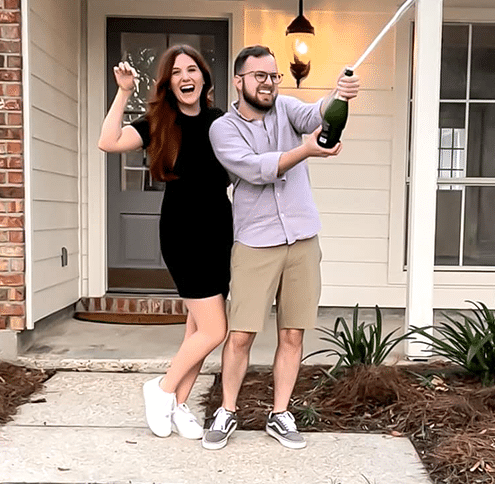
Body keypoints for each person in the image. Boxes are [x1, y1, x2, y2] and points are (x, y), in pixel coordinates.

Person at [203, 45, 360, 450]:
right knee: (240, 334)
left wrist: (339, 94)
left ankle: (281, 413)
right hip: (255, 242)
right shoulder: (223, 128)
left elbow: (318, 113)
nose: (269, 83)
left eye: (273, 76)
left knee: (292, 333)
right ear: (238, 81)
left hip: (303, 239)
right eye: (259, 76)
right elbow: (255, 169)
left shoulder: (287, 108)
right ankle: (228, 410)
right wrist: (305, 150)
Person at [98, 45, 233, 441]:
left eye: (193, 69)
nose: (186, 77)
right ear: (168, 83)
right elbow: (108, 142)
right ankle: (160, 389)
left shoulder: (220, 121)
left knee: (197, 326)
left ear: (204, 78)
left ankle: (178, 405)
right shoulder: (159, 120)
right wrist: (123, 91)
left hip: (220, 231)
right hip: (183, 232)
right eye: (177, 72)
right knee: (214, 329)